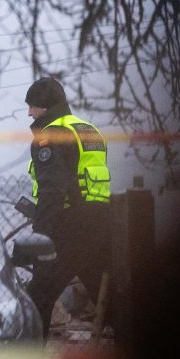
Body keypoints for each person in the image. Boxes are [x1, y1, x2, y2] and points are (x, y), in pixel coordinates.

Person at [24, 77, 111, 337]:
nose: (29, 113)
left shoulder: (49, 136)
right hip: (101, 225)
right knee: (111, 298)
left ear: (45, 107)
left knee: (37, 296)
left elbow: (52, 191)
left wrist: (40, 237)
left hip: (67, 226)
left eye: (32, 106)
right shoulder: (88, 130)